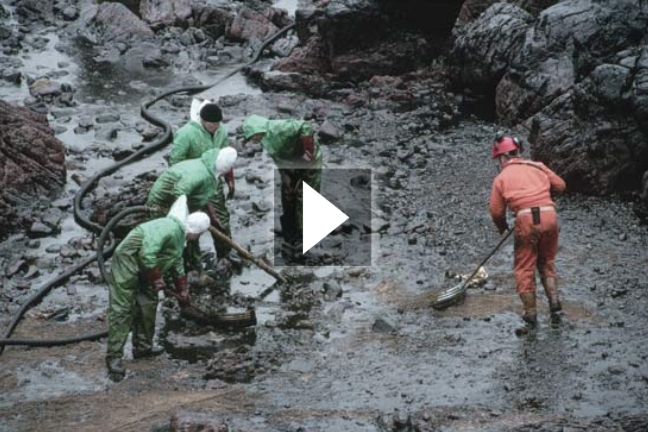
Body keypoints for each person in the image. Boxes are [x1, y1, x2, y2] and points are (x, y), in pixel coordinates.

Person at [106, 196, 210, 381]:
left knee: (148, 304)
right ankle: (114, 357)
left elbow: (176, 263)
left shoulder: (181, 237)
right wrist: (157, 278)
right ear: (197, 232)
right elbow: (147, 254)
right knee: (122, 310)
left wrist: (182, 291)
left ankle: (143, 348)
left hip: (147, 269)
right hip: (128, 262)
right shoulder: (170, 227)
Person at [488, 135, 567, 332]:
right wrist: (542, 198)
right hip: (550, 216)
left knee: (524, 268)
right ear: (518, 151)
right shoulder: (538, 166)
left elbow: (496, 212)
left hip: (525, 220)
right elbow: (560, 186)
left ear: (503, 157)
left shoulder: (501, 178)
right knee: (547, 262)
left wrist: (503, 226)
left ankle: (530, 314)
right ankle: (555, 304)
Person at [146, 147, 238, 271]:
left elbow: (205, 194)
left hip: (185, 200)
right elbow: (179, 192)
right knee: (175, 238)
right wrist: (181, 219)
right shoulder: (200, 174)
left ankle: (194, 263)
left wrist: (214, 218)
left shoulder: (210, 169)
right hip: (164, 203)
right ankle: (173, 270)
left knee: (192, 232)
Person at [242, 115, 322, 253]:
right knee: (288, 194)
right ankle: (292, 231)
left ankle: (307, 234)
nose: (253, 140)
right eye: (250, 138)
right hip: (291, 163)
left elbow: (306, 126)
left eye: (253, 136)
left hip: (309, 160)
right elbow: (277, 158)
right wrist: (286, 178)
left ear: (258, 130)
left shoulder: (280, 127)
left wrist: (308, 152)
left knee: (306, 195)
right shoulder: (265, 139)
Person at [169, 100, 235, 200]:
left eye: (217, 123)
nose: (214, 127)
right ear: (202, 120)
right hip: (191, 177)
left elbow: (225, 155)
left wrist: (230, 180)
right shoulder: (185, 134)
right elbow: (175, 162)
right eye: (211, 124)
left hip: (213, 176)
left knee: (219, 210)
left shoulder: (222, 131)